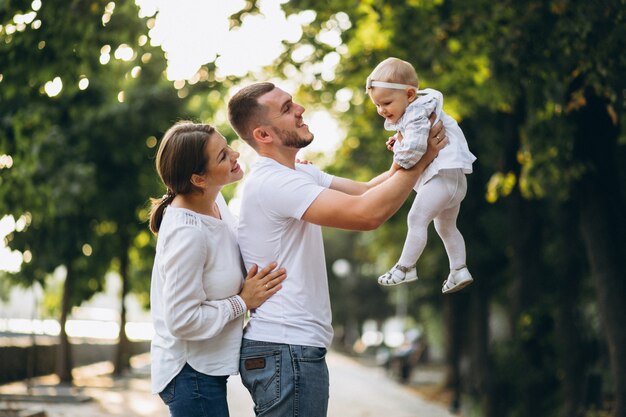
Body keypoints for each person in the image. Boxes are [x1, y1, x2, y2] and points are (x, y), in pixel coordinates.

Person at [227, 82, 447, 417]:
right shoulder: (274, 182)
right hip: (287, 348)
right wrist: (421, 161)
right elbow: (367, 214)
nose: (299, 109)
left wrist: (408, 153)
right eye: (286, 108)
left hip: (290, 348)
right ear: (263, 134)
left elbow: (366, 191)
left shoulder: (298, 172)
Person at [148, 121, 287, 417]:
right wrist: (242, 302)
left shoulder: (215, 202)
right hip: (190, 375)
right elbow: (181, 320)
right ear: (198, 178)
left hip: (204, 371)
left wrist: (293, 173)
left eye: (227, 146)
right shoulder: (188, 234)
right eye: (223, 155)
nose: (235, 153)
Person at [366, 57, 477, 292]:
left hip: (441, 179)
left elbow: (415, 149)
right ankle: (459, 269)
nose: (381, 110)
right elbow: (412, 139)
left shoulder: (416, 114)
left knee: (416, 219)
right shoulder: (418, 112)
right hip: (455, 180)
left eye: (386, 102)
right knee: (446, 227)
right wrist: (398, 141)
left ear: (409, 95)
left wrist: (397, 162)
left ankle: (406, 267)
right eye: (377, 105)